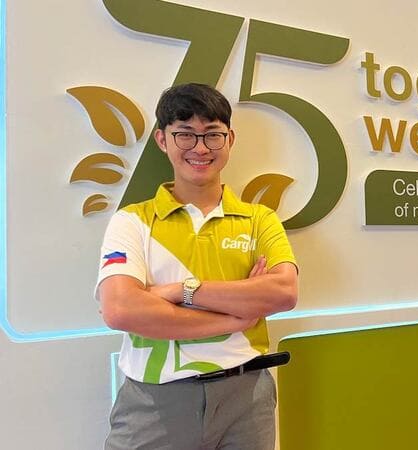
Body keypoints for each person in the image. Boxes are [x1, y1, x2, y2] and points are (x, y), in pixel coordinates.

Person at [96, 83, 298, 450]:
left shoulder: (259, 219)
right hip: (156, 400)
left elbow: (283, 292)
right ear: (162, 139)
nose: (200, 148)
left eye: (212, 135)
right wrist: (234, 319)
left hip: (248, 396)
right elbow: (121, 308)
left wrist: (178, 292)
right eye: (185, 134)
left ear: (229, 139)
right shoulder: (133, 221)